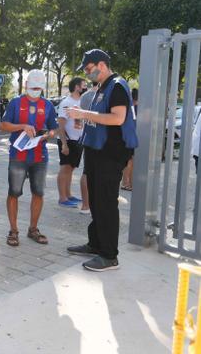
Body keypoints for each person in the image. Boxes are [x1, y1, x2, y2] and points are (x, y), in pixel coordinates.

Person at [66, 49, 138, 272]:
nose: (88, 74)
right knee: (96, 201)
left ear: (102, 65)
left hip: (111, 153)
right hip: (97, 151)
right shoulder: (102, 88)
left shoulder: (116, 86)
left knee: (106, 203)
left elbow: (118, 118)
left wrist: (84, 115)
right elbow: (100, 118)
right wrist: (83, 118)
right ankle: (96, 244)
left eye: (89, 69)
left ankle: (109, 256)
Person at [0, 69, 58, 247]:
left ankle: (33, 229)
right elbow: (3, 125)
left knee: (38, 193)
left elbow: (54, 129)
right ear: (25, 85)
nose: (35, 91)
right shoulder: (15, 103)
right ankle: (13, 230)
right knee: (14, 192)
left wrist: (48, 134)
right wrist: (22, 126)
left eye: (38, 88)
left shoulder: (48, 105)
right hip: (18, 155)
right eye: (32, 87)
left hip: (40, 156)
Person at [56, 78, 87, 209]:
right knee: (65, 168)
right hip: (68, 141)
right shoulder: (66, 102)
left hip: (78, 140)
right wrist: (64, 144)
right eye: (84, 85)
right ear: (77, 87)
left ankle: (68, 195)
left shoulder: (81, 102)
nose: (86, 87)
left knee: (71, 168)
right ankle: (62, 198)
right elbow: (61, 124)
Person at [79, 81, 98, 214]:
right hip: (101, 138)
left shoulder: (85, 96)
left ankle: (85, 205)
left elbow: (80, 118)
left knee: (86, 171)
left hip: (88, 136)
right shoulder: (104, 94)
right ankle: (95, 203)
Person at [121, 88, 138, 191]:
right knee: (131, 161)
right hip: (133, 137)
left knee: (128, 161)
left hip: (127, 137)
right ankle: (130, 184)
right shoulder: (137, 108)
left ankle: (125, 182)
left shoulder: (129, 107)